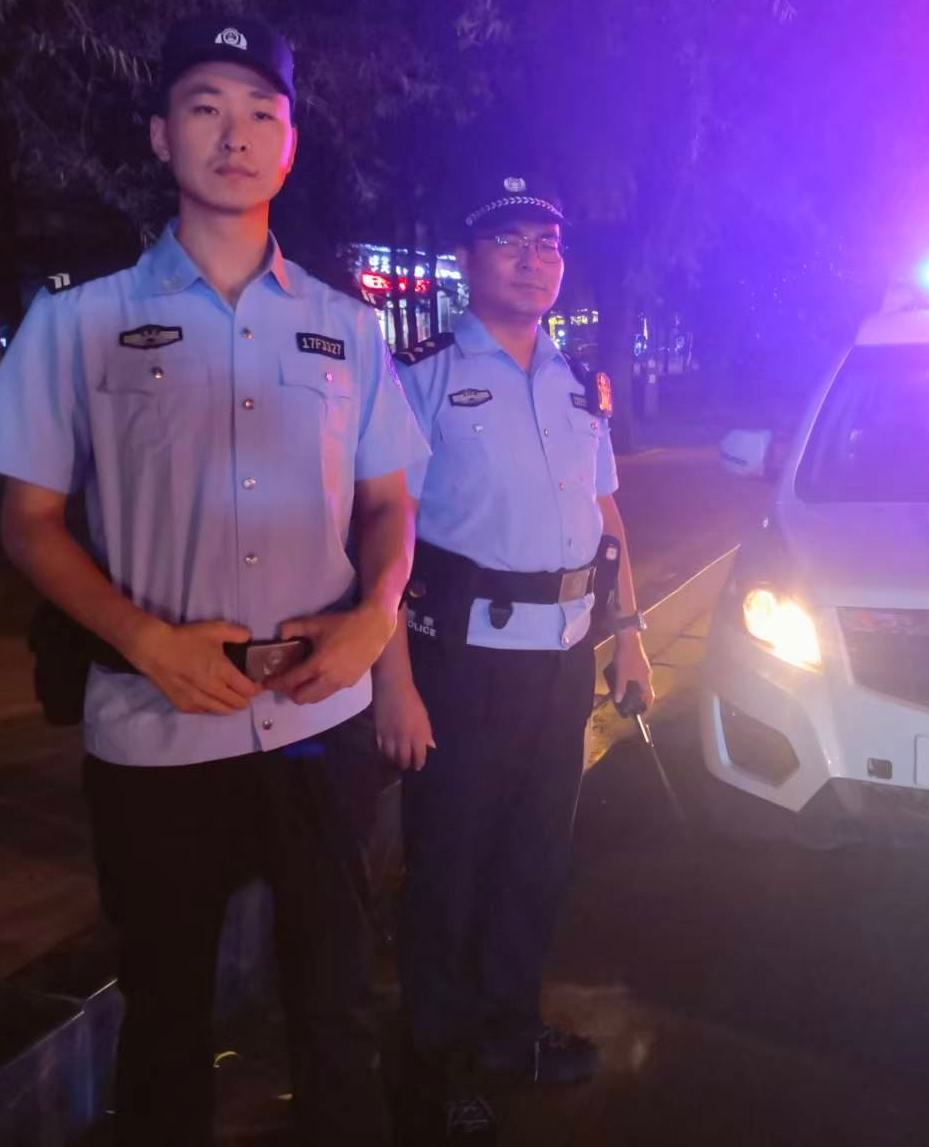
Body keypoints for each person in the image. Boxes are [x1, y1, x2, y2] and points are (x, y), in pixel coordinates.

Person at [0, 13, 426, 1145]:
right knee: (165, 1023)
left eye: (262, 111)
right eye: (205, 106)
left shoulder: (347, 329)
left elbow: (388, 505)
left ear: (290, 146)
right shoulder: (82, 321)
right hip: (154, 730)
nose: (234, 133)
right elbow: (28, 522)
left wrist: (375, 617)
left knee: (337, 1007)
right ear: (162, 136)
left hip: (317, 722)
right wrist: (144, 637)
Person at [372, 172, 656, 1138]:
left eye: (547, 242)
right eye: (509, 242)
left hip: (562, 659)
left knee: (535, 857)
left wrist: (630, 635)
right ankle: (434, 1062)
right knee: (449, 867)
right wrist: (393, 682)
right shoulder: (420, 376)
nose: (533, 260)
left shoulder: (581, 383)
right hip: (462, 664)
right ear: (466, 261)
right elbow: (383, 535)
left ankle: (506, 1028)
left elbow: (606, 516)